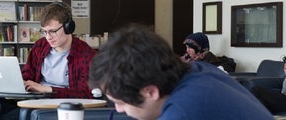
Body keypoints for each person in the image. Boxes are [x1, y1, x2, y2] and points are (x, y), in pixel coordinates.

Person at [88, 24, 274, 120]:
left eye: (121, 103)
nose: (119, 110)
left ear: (151, 91)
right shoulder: (199, 70)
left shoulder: (184, 111)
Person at [0, 2, 96, 120]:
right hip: (33, 102)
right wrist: (19, 82)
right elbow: (28, 73)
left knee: (24, 114)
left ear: (69, 27)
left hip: (59, 108)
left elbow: (85, 93)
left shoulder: (85, 54)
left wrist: (48, 89)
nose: (48, 37)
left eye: (52, 31)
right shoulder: (40, 46)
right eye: (44, 32)